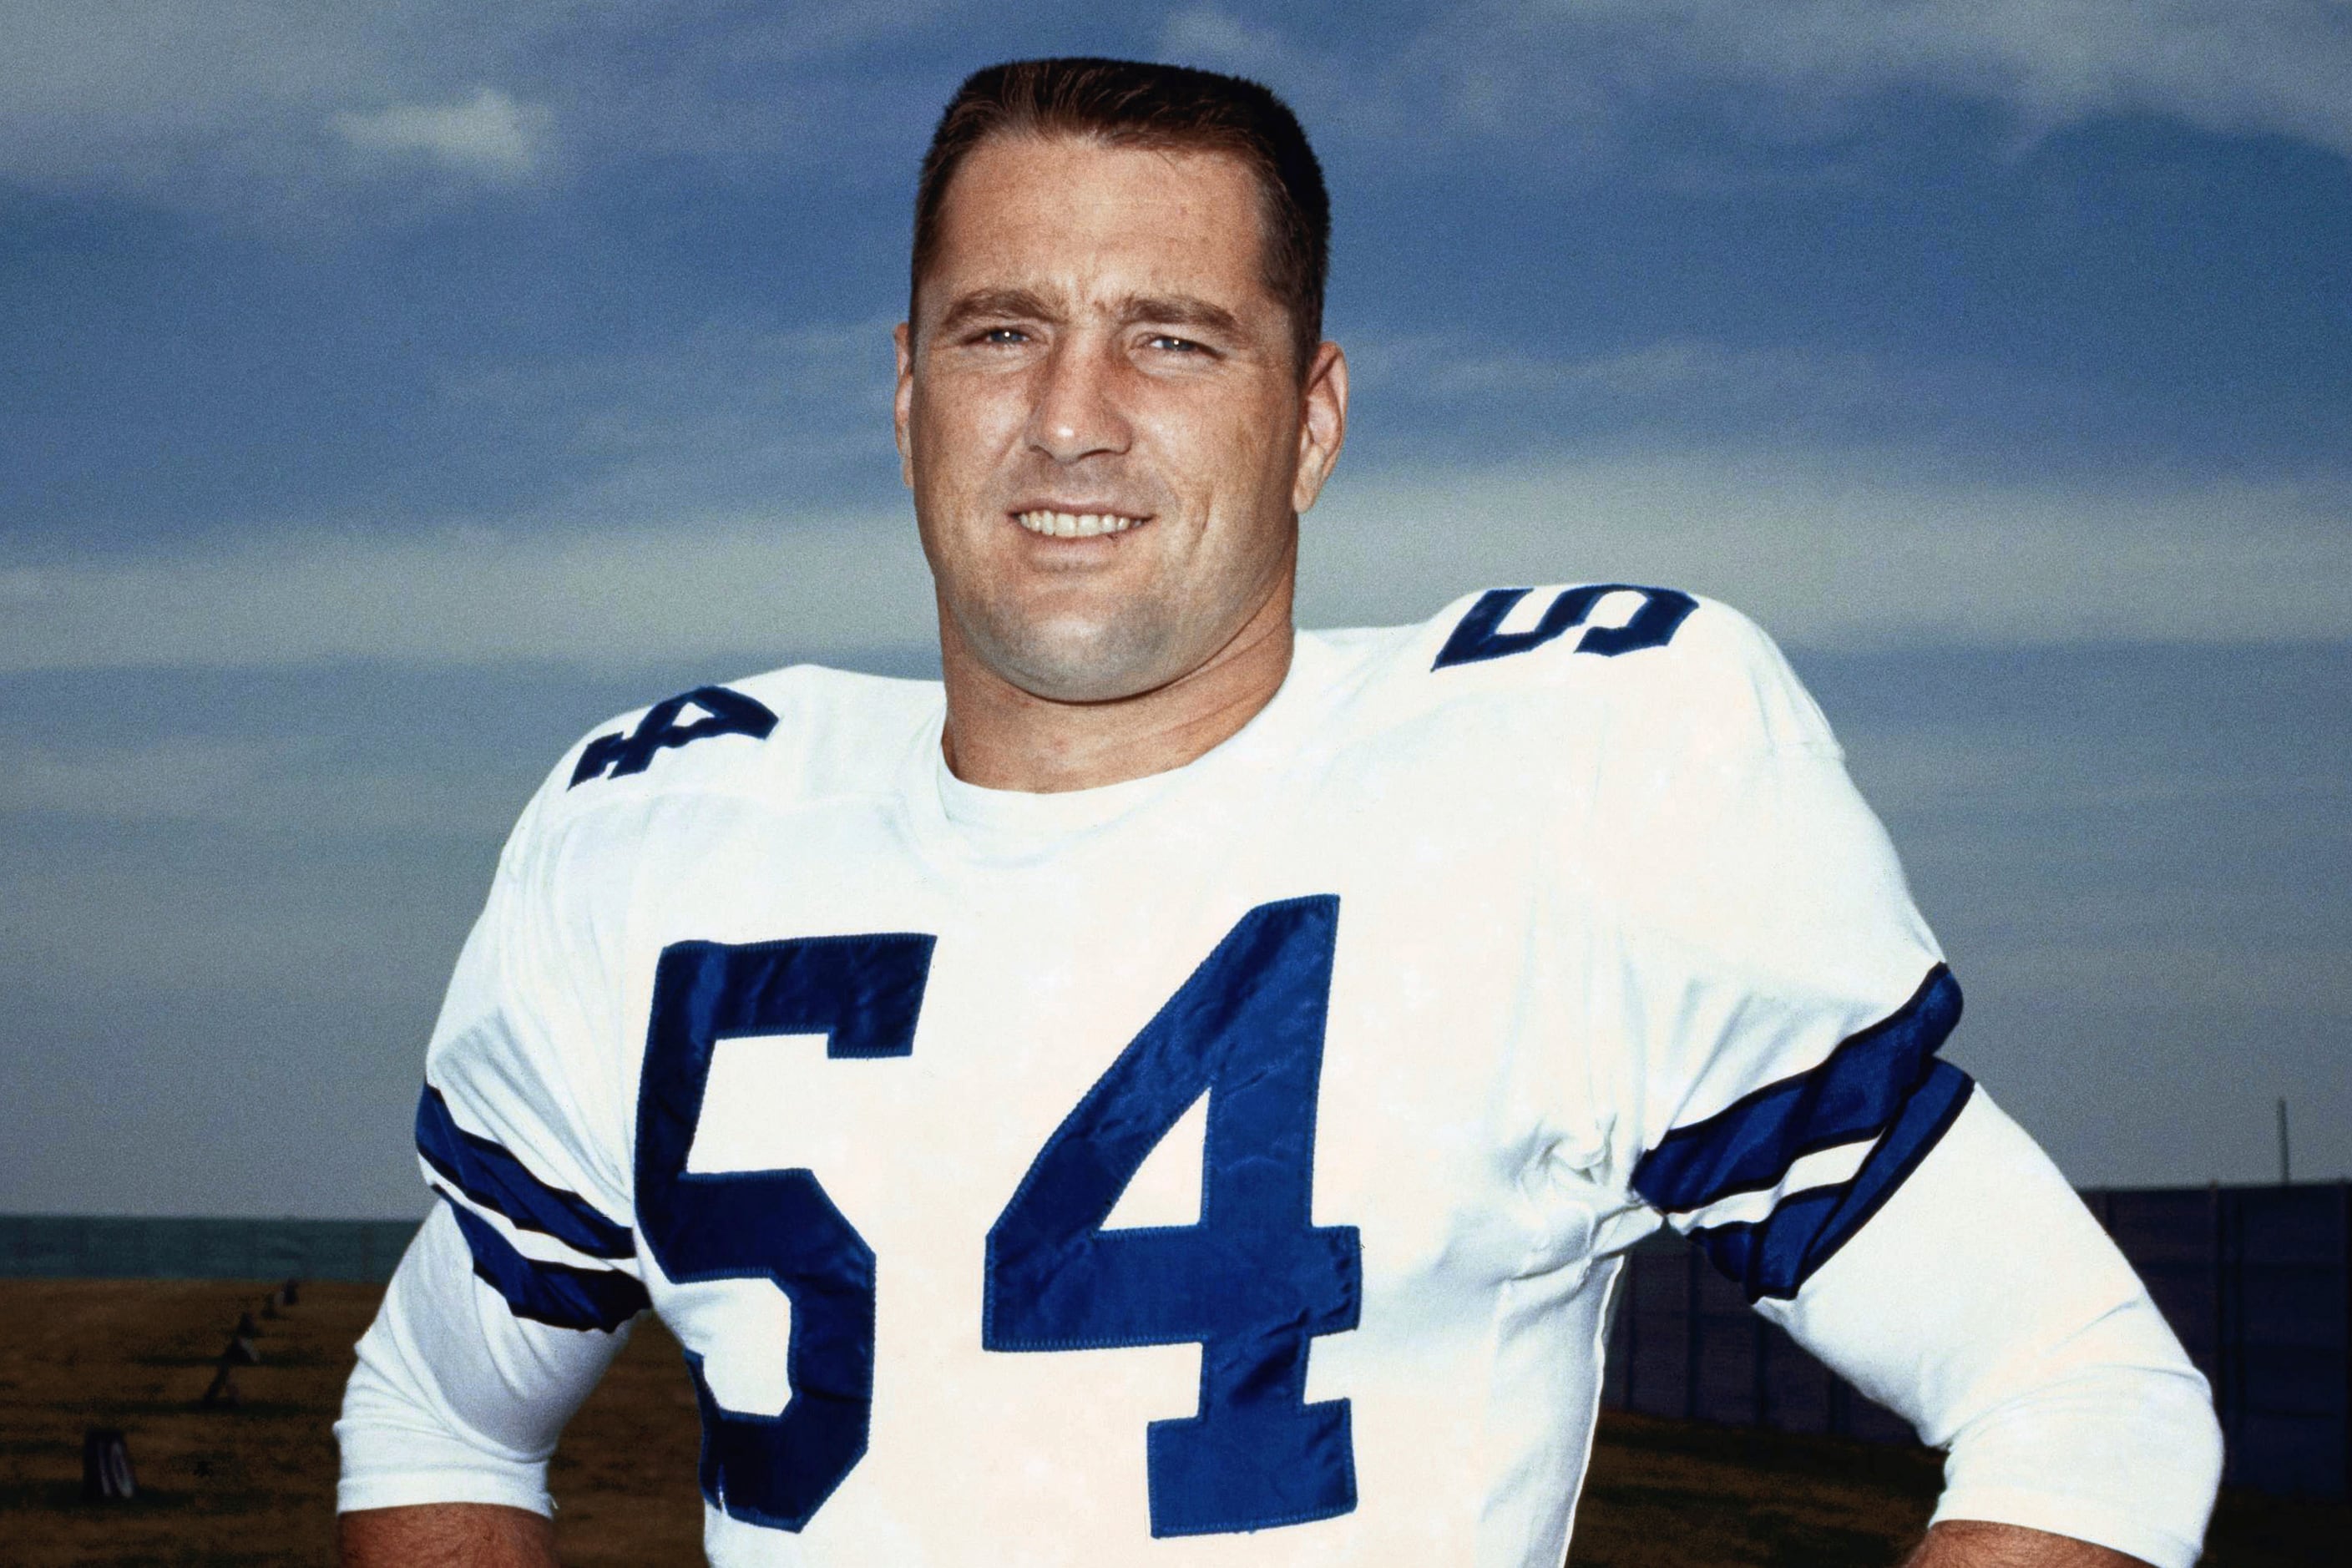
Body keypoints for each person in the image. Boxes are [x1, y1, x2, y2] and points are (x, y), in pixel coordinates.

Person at [336, 57, 2223, 1568]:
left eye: (1172, 338)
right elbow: (435, 1412)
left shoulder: (1564, 786)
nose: (1071, 415)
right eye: (998, 333)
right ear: (903, 394)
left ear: (1310, 419)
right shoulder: (674, 835)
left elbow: (2082, 1391)